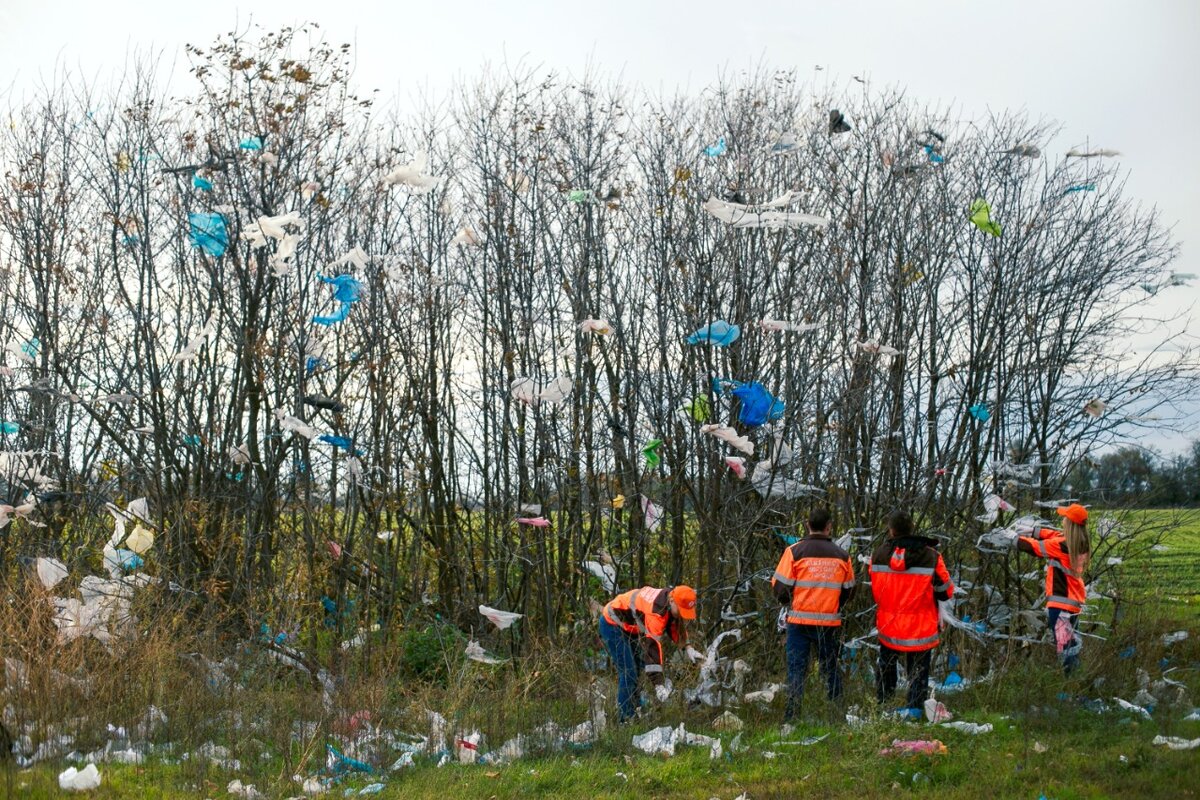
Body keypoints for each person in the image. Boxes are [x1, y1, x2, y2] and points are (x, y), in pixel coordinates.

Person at [771, 507, 855, 721]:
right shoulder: (842, 556)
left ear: (807, 525)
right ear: (829, 527)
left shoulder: (794, 552)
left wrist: (790, 603)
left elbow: (779, 587)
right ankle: (837, 714)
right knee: (830, 667)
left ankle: (792, 716)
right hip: (828, 623)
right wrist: (834, 606)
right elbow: (849, 590)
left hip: (798, 621)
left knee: (797, 669)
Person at [870, 510, 955, 718]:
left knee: (887, 668)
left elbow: (874, 588)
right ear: (912, 528)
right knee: (918, 673)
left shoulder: (879, 554)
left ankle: (883, 708)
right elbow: (946, 591)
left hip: (889, 624)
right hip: (920, 626)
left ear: (891, 530)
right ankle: (915, 712)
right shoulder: (931, 556)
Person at [1011, 503, 1091, 673]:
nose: (1062, 520)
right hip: (1072, 606)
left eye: (1065, 518)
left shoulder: (1063, 545)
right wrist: (1034, 531)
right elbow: (1055, 535)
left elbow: (1035, 548)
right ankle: (1074, 683)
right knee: (1070, 646)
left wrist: (1012, 539)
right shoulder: (1079, 542)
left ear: (1070, 524)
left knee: (1066, 650)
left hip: (1060, 609)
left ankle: (1071, 687)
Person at [598, 585, 697, 722]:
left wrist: (688, 646)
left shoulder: (668, 600)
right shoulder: (656, 611)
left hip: (628, 627)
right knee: (628, 671)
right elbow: (653, 647)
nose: (681, 614)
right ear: (673, 600)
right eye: (681, 610)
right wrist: (658, 684)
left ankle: (636, 707)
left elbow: (673, 625)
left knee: (637, 668)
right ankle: (626, 719)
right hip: (611, 623)